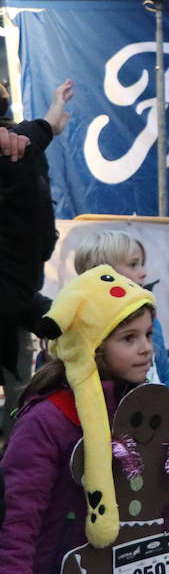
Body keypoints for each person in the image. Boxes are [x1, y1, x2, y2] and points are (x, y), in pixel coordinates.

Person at [0, 267, 169, 574]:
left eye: (148, 335)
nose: (146, 349)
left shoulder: (144, 409)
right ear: (91, 345)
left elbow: (166, 503)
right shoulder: (47, 421)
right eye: (128, 338)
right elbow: (17, 529)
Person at [0, 78, 73, 381]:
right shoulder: (24, 141)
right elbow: (50, 124)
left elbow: (49, 125)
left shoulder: (24, 141)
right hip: (19, 284)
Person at [70, 231, 169, 387]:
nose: (144, 273)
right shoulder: (75, 324)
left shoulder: (150, 321)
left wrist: (165, 401)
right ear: (103, 273)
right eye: (133, 264)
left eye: (148, 335)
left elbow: (163, 373)